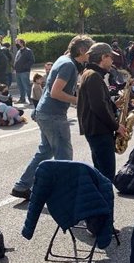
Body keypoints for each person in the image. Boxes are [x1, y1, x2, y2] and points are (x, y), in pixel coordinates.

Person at [11, 35, 94, 200]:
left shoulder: (64, 59)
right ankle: (64, 196)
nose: (92, 55)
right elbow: (56, 92)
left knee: (45, 152)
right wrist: (79, 100)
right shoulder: (69, 65)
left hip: (45, 113)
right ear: (83, 50)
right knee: (64, 156)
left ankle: (21, 186)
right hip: (53, 115)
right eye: (90, 51)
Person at [77, 43, 126, 183]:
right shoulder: (93, 76)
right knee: (106, 175)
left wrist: (113, 105)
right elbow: (98, 107)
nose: (112, 61)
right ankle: (104, 203)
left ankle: (100, 202)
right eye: (111, 57)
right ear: (103, 57)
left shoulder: (90, 74)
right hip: (99, 130)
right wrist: (116, 126)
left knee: (100, 173)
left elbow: (97, 101)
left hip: (95, 130)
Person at [14, 38, 35, 104]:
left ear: (22, 43)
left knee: (26, 86)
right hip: (18, 71)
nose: (16, 44)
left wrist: (24, 67)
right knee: (20, 86)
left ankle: (30, 99)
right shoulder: (19, 51)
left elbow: (32, 60)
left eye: (17, 42)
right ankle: (22, 98)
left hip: (24, 71)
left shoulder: (28, 51)